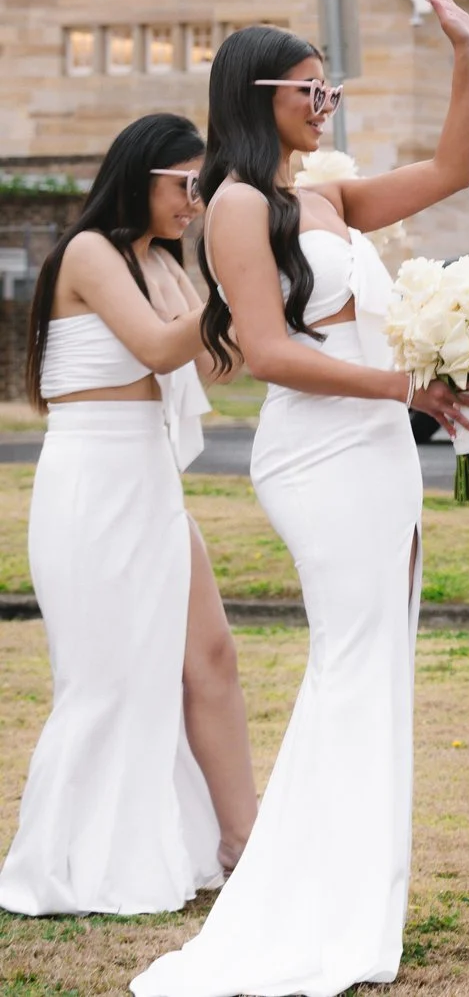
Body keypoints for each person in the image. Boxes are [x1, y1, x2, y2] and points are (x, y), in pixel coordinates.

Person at [134, 0, 469, 997]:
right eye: (307, 83)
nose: (325, 95)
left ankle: (356, 892)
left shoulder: (323, 194)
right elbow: (273, 349)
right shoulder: (239, 201)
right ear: (258, 92)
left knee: (379, 668)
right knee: (350, 662)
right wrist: (402, 385)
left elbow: (453, 169)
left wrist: (465, 51)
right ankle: (309, 899)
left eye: (327, 81)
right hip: (317, 457)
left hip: (378, 449)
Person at [0, 114, 255, 916]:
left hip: (149, 479)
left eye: (202, 186)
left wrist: (259, 292)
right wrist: (245, 287)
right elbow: (156, 346)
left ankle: (243, 840)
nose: (195, 200)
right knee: (108, 677)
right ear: (139, 175)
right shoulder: (90, 253)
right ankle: (75, 857)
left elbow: (221, 354)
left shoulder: (163, 265)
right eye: (184, 183)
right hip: (93, 481)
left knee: (209, 654)